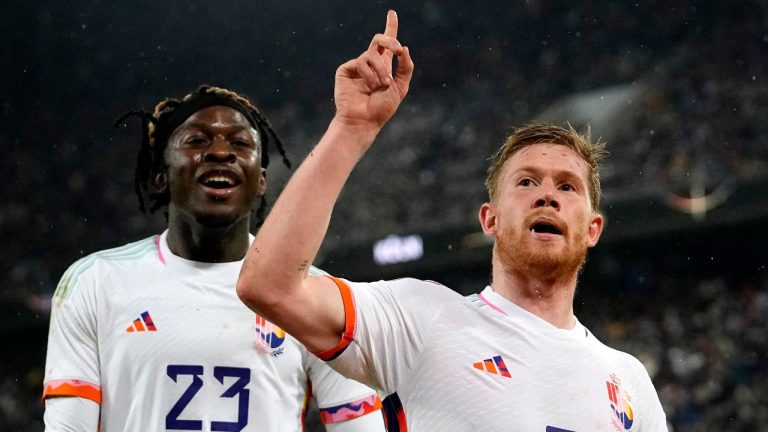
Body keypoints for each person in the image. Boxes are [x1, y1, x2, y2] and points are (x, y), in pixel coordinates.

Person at [236, 10, 668, 432]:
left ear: (594, 229)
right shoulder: (422, 321)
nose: (547, 196)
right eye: (526, 182)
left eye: (568, 187)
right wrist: (352, 127)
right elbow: (270, 285)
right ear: (490, 219)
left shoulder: (629, 383)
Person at [42, 85, 385, 431]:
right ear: (160, 175)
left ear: (261, 180)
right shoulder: (96, 282)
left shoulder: (313, 294)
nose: (221, 152)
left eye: (240, 143)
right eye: (197, 141)